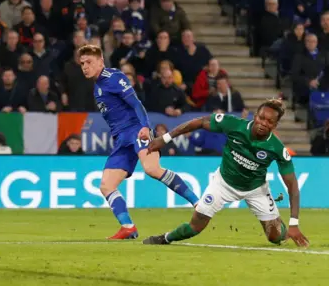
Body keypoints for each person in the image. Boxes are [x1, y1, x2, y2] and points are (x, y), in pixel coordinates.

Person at [143, 99, 309, 249]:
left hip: (256, 189)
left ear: (275, 125)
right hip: (222, 184)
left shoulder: (277, 148)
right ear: (255, 115)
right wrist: (164, 139)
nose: (263, 123)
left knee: (274, 237)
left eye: (269, 121)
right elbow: (201, 122)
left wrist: (294, 223)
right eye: (261, 117)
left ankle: (283, 228)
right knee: (195, 227)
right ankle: (165, 238)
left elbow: (292, 185)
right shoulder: (234, 125)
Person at [78, 44, 198, 240]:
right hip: (121, 140)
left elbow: (136, 103)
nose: (85, 66)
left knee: (151, 169)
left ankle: (198, 203)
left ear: (101, 61)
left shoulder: (113, 77)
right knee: (106, 185)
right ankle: (128, 227)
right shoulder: (98, 86)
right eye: (82, 63)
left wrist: (145, 127)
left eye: (89, 62)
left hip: (136, 131)